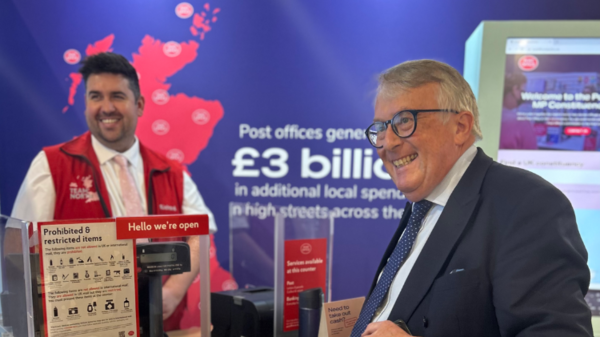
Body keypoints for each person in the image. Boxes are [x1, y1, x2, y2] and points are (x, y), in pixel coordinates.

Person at [352, 60, 592, 337]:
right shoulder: (422, 207)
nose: (388, 143)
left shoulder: (527, 204)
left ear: (461, 127)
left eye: (404, 121)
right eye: (381, 128)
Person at [7, 52, 235, 331]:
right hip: (84, 327)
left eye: (116, 96)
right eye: (95, 96)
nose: (105, 107)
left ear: (138, 105)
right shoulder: (52, 164)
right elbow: (17, 250)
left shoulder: (171, 171)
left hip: (159, 326)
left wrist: (174, 291)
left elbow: (202, 232)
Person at [500, 72, 538, 149]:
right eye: (523, 91)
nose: (523, 95)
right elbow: (533, 156)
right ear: (515, 89)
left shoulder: (488, 117)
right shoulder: (521, 123)